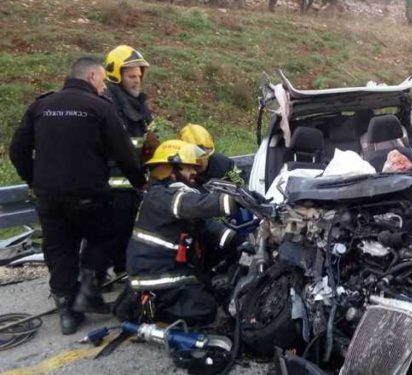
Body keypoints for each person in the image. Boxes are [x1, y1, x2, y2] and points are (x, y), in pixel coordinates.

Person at [9, 56, 147, 335]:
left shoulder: (40, 106)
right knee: (104, 236)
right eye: (102, 81)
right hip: (89, 195)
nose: (104, 87)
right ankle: (89, 289)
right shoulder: (100, 108)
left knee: (59, 249)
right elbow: (124, 153)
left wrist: (34, 179)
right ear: (92, 77)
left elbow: (17, 150)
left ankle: (67, 313)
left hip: (49, 197)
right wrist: (139, 182)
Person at [119, 140, 240, 325]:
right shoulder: (161, 196)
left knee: (213, 291)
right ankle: (145, 309)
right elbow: (197, 205)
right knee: (206, 310)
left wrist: (240, 240)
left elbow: (206, 227)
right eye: (188, 168)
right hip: (154, 276)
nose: (194, 172)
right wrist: (234, 200)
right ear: (170, 170)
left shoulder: (173, 198)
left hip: (169, 268)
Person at [103, 45, 155, 275]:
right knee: (115, 230)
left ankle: (123, 268)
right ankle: (113, 272)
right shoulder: (109, 103)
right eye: (131, 76)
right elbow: (119, 146)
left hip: (133, 178)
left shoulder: (136, 102)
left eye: (139, 76)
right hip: (114, 180)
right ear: (116, 75)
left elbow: (148, 139)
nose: (137, 81)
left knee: (127, 228)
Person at [178, 123, 245, 188]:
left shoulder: (225, 165)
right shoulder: (175, 170)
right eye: (194, 157)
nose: (200, 162)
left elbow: (241, 184)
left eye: (204, 154)